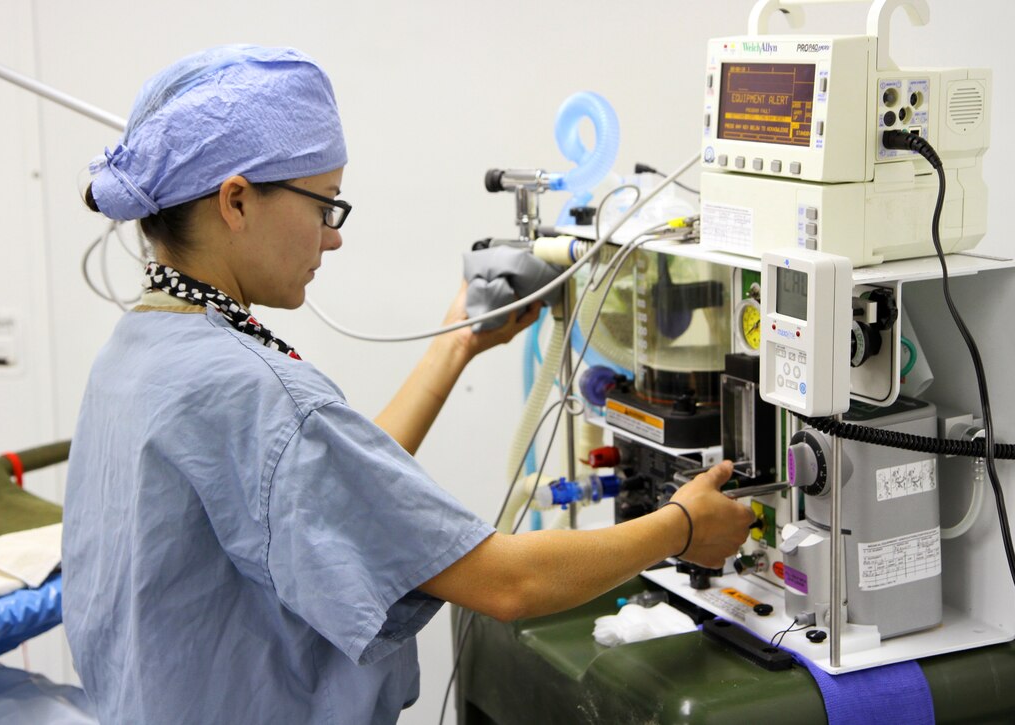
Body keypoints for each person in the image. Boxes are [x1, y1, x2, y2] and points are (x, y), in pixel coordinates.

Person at [62, 45, 755, 724]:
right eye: (325, 206)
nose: (332, 239)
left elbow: (336, 500)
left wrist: (454, 348)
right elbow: (508, 582)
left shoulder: (138, 355)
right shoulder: (249, 393)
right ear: (237, 201)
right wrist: (683, 526)